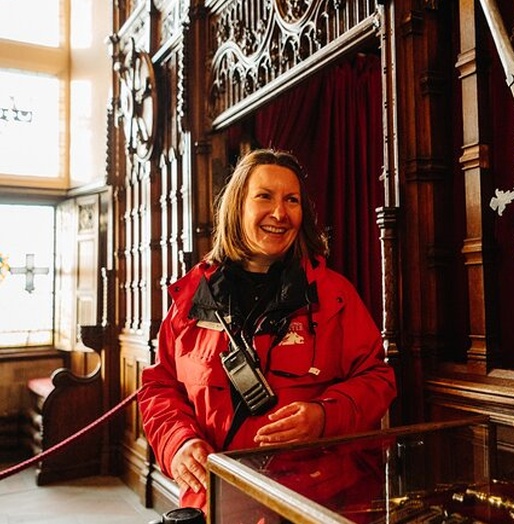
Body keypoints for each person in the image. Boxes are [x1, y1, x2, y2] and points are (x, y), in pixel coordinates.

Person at [138, 148, 397, 512]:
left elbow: (378, 378)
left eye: (291, 200)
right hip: (216, 502)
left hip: (312, 505)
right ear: (238, 206)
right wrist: (178, 443)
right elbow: (160, 386)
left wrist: (324, 416)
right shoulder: (192, 296)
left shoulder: (333, 294)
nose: (280, 213)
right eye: (265, 197)